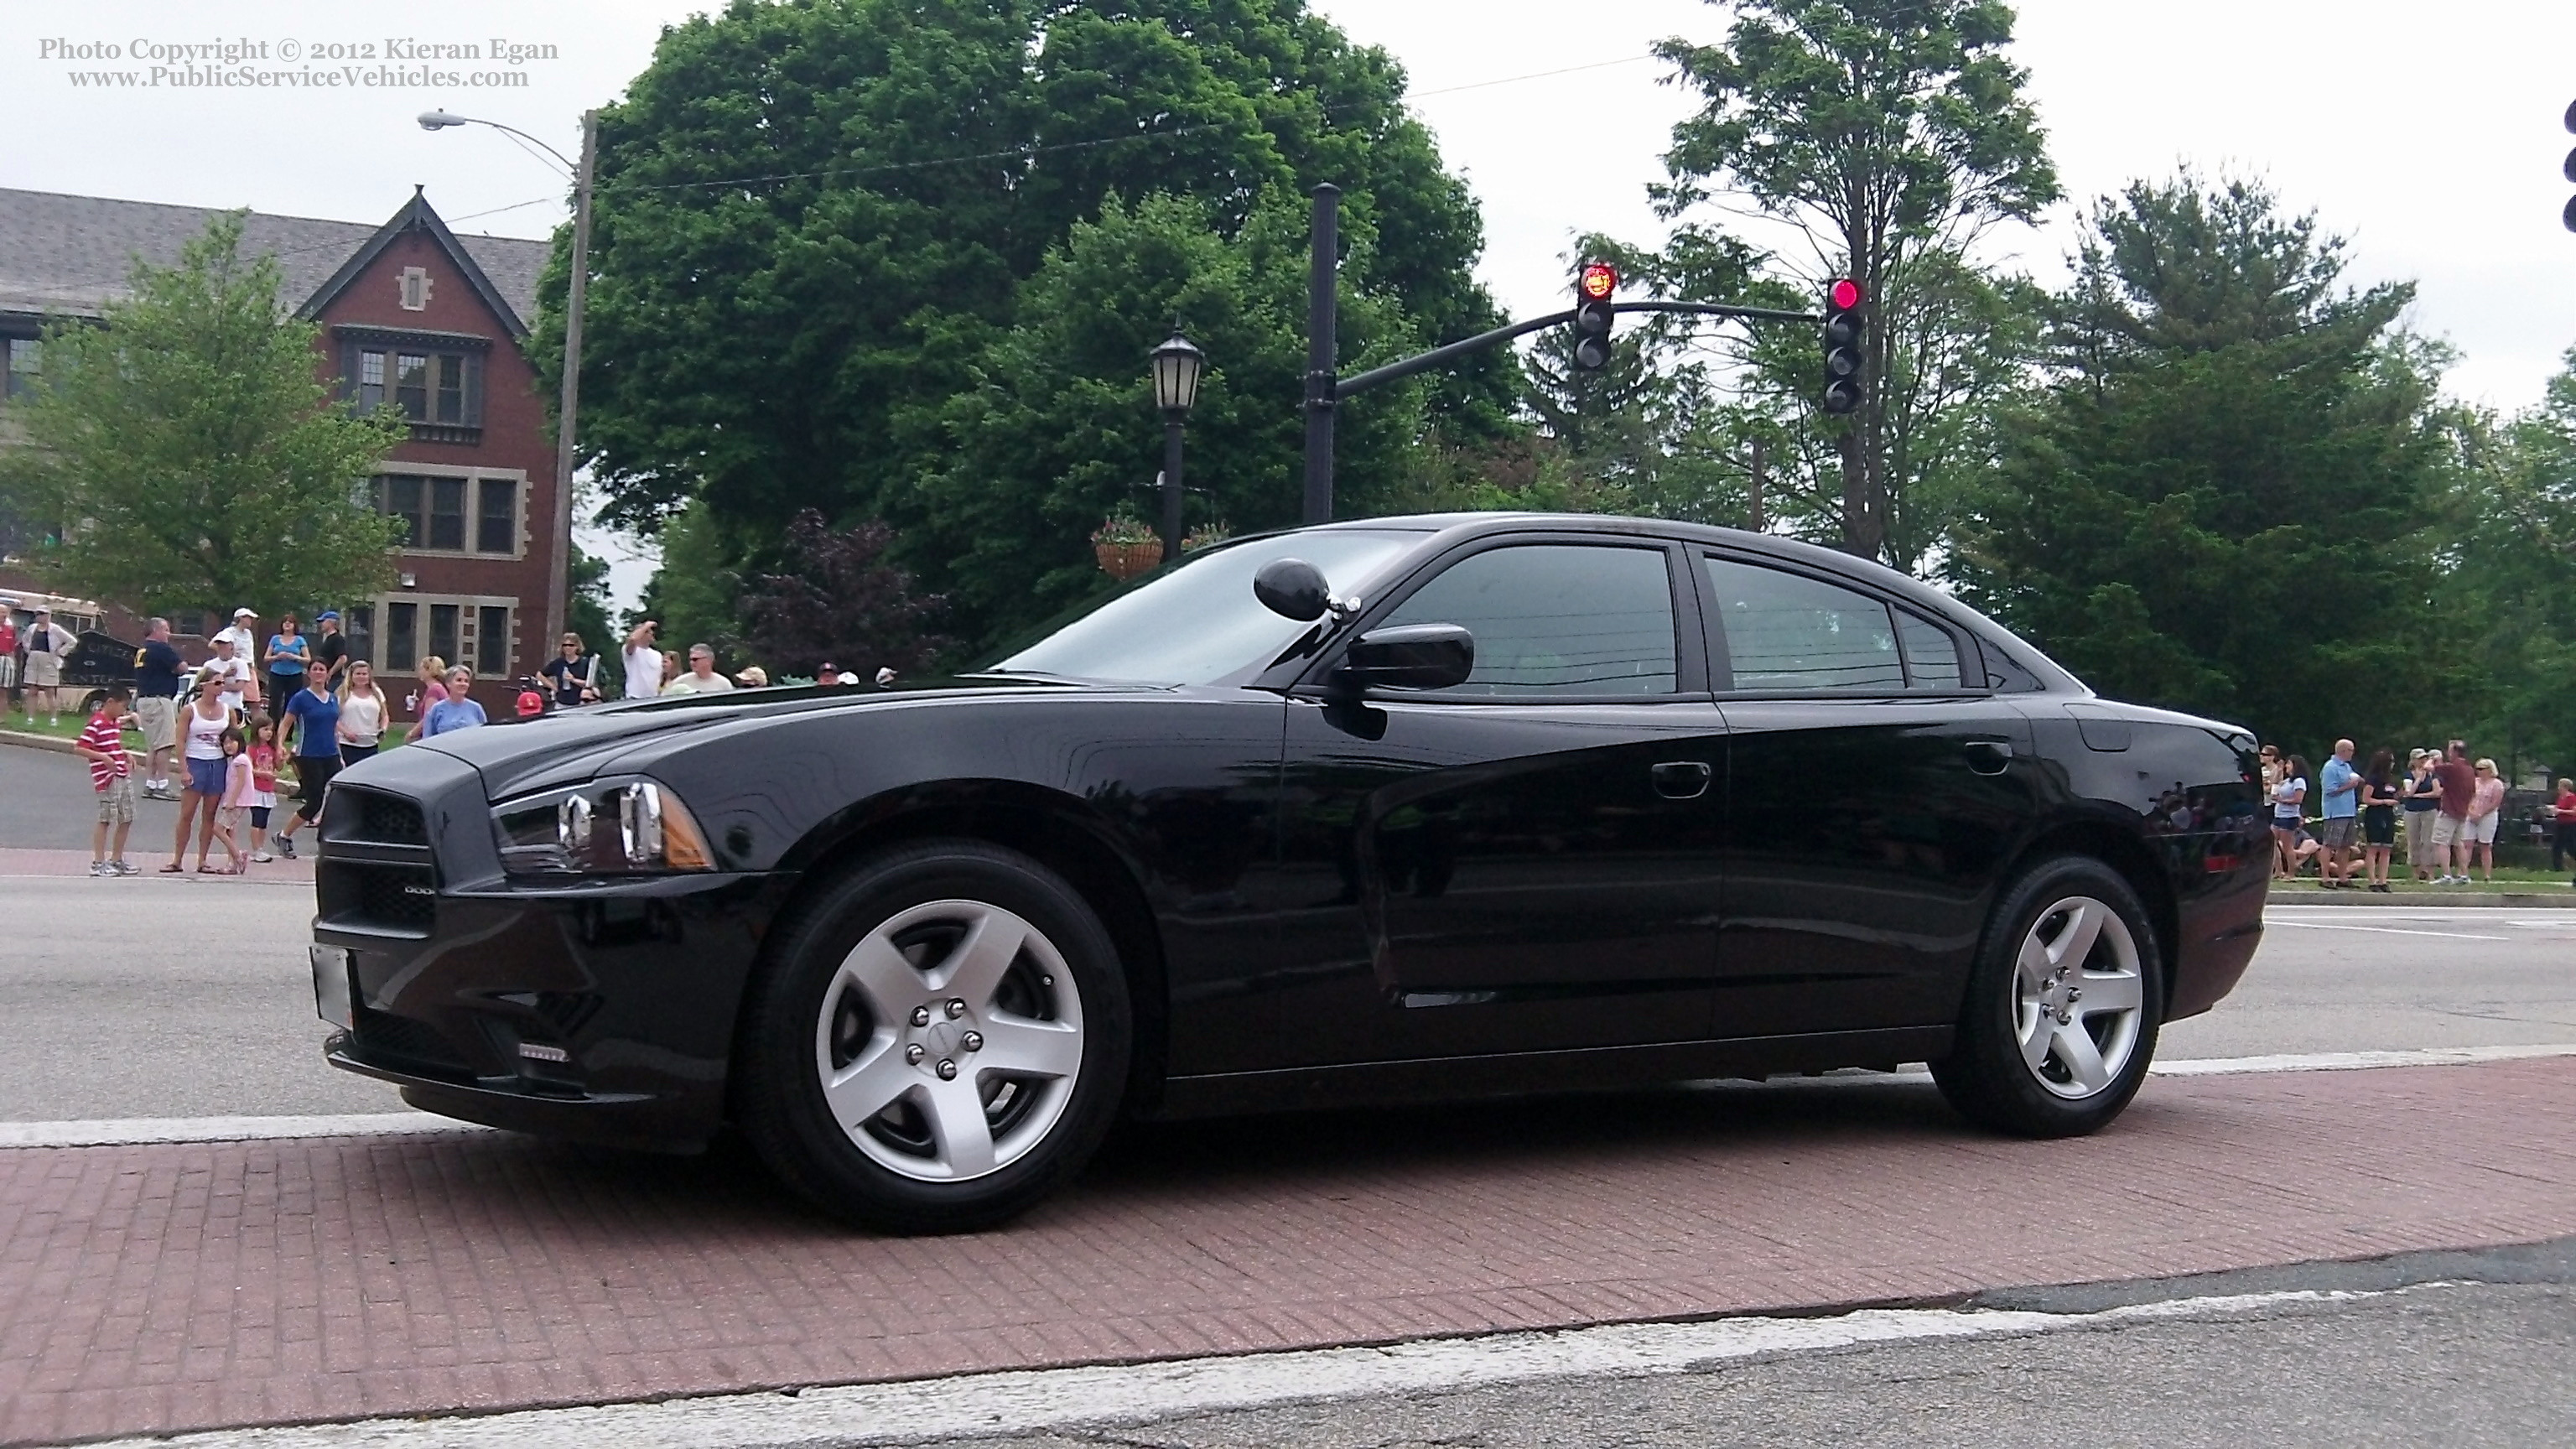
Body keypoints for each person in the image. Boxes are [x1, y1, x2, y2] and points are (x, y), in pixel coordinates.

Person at [164, 667, 234, 873]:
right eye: (218, 683)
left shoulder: (227, 710)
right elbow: (180, 739)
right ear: (205, 685)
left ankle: (203, 859)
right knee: (187, 813)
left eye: (223, 683)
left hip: (218, 763)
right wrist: (183, 769)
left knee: (210, 814)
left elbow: (234, 736)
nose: (222, 687)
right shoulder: (190, 710)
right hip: (196, 761)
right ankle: (177, 858)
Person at [270, 662, 343, 860]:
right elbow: (286, 724)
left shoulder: (333, 699)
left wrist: (340, 755)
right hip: (309, 754)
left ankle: (328, 842)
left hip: (331, 754)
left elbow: (334, 728)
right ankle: (284, 835)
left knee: (337, 798)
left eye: (322, 669)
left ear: (328, 674)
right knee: (314, 802)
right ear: (309, 673)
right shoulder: (301, 698)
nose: (319, 673)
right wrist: (279, 746)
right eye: (315, 669)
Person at [75, 687, 139, 877]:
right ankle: (98, 861)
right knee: (105, 818)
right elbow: (80, 748)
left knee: (126, 816)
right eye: (123, 706)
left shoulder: (113, 723)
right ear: (110, 702)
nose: (124, 711)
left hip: (121, 774)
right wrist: (103, 758)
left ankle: (117, 858)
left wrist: (124, 754)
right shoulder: (96, 723)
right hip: (107, 778)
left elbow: (113, 744)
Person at [132, 617, 185, 799]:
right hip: (159, 701)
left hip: (144, 700)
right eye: (166, 629)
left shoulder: (142, 650)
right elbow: (182, 668)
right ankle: (162, 785)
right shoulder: (161, 648)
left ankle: (150, 783)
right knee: (165, 745)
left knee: (153, 746)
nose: (169, 634)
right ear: (156, 630)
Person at [2315, 739, 2361, 887]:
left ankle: (2343, 877)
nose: (2352, 754)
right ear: (2343, 751)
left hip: (2348, 811)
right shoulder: (2330, 767)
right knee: (2329, 844)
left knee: (2345, 846)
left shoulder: (2347, 767)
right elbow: (2330, 790)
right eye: (2351, 750)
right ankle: (2325, 877)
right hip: (2335, 812)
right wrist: (2349, 786)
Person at [2432, 740, 2477, 885]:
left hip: (2449, 811)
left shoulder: (2453, 768)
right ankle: (2464, 875)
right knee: (2458, 844)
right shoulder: (2469, 769)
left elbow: (2429, 768)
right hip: (2462, 812)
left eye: (2450, 750)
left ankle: (2446, 875)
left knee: (2442, 842)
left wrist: (2434, 760)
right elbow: (2473, 791)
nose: (2448, 753)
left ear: (2455, 752)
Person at [210, 725, 252, 874]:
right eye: (225, 743)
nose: (228, 746)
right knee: (229, 830)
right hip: (233, 800)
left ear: (240, 742)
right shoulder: (235, 760)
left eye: (231, 742)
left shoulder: (240, 760)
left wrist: (232, 801)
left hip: (237, 801)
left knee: (218, 828)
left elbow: (241, 781)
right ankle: (233, 864)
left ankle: (238, 855)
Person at [21, 606, 73, 726]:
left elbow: (71, 641)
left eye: (42, 614)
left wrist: (60, 652)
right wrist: (29, 651)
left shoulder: (55, 629)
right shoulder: (32, 628)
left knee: (50, 691)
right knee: (32, 690)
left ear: (48, 615)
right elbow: (25, 640)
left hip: (49, 659)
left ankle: (53, 718)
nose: (39, 616)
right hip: (33, 659)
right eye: (38, 613)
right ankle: (30, 718)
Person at [2359, 747, 2401, 893]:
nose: (2393, 764)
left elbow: (2394, 795)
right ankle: (2372, 880)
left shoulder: (2391, 780)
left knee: (2386, 848)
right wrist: (2383, 801)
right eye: (2391, 761)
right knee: (2373, 847)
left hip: (2388, 814)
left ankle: (2383, 880)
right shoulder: (2373, 779)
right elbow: (2366, 799)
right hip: (2375, 814)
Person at [2402, 747, 2443, 881]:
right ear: (2413, 760)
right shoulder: (2408, 775)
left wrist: (2420, 795)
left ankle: (2430, 872)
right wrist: (2418, 780)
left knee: (2428, 841)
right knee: (2413, 842)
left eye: (2425, 758)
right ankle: (2416, 872)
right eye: (2420, 759)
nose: (2423, 761)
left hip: (2429, 810)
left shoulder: (2432, 775)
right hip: (2412, 811)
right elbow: (2409, 792)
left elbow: (2437, 793)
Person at [336, 660, 387, 766]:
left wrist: (383, 729)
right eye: (358, 674)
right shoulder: (343, 693)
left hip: (371, 744)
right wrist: (346, 732)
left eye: (364, 674)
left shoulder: (376, 693)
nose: (361, 677)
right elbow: (334, 718)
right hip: (348, 744)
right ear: (351, 676)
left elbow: (385, 715)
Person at [2464, 757, 2506, 885]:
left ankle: (2487, 874)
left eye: (2481, 769)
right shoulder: (2473, 782)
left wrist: (2481, 813)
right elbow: (2467, 797)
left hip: (2488, 815)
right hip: (2470, 814)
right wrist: (2471, 812)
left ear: (2489, 770)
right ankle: (2463, 873)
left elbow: (2495, 802)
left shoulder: (2497, 784)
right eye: (2477, 769)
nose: (2479, 771)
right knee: (2467, 844)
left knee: (2485, 845)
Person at [245, 716, 280, 862]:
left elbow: (278, 767)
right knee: (257, 819)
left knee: (264, 821)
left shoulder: (271, 748)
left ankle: (261, 847)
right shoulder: (252, 748)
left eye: (271, 730)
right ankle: (256, 849)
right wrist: (262, 774)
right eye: (265, 729)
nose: (269, 733)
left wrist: (281, 758)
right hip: (256, 788)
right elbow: (248, 768)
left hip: (268, 789)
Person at [2270, 754, 2309, 880]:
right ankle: (2278, 869)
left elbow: (2298, 799)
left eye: (2289, 764)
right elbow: (2275, 784)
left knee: (2287, 846)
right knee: (2272, 843)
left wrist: (2282, 800)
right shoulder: (2287, 781)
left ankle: (2291, 873)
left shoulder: (2299, 781)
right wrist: (2279, 770)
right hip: (2279, 815)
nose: (2287, 766)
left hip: (2289, 817)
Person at [420, 666, 486, 736]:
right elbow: (427, 737)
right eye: (459, 680)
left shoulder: (476, 708)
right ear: (448, 684)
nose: (463, 684)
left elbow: (484, 735)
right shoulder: (437, 709)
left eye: (466, 681)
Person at [262, 615, 309, 712]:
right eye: (285, 622)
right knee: (275, 701)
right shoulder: (275, 639)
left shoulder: (299, 640)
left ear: (295, 625)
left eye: (290, 622)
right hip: (277, 674)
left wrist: (294, 657)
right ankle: (273, 725)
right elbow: (266, 658)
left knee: (291, 702)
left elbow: (308, 659)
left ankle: (289, 725)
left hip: (294, 675)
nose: (287, 624)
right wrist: (277, 657)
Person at [542, 632, 601, 708]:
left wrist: (573, 680)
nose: (567, 648)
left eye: (571, 645)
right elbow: (540, 674)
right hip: (561, 703)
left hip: (581, 703)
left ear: (577, 647)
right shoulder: (558, 662)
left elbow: (591, 684)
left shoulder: (585, 662)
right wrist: (553, 687)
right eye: (565, 645)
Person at [204, 634, 253, 719]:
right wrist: (225, 675)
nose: (221, 647)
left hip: (233, 707)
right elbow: (205, 685)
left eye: (224, 644)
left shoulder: (241, 664)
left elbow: (239, 687)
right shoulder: (209, 665)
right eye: (219, 644)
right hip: (212, 707)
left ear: (232, 646)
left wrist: (217, 686)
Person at [402, 656, 449, 743]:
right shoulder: (437, 688)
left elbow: (428, 718)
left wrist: (411, 734)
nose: (419, 672)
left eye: (421, 669)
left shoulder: (434, 690)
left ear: (429, 671)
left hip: (432, 738)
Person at [660, 642, 735, 696]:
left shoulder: (724, 684)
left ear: (709, 660)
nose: (692, 662)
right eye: (691, 659)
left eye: (695, 659)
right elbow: (664, 699)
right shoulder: (681, 681)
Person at [622, 621, 665, 699]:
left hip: (654, 698)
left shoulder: (657, 654)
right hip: (635, 698)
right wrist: (646, 626)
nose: (652, 633)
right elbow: (633, 639)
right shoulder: (632, 651)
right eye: (647, 632)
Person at [310, 610, 349, 689]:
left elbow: (343, 658)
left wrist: (330, 673)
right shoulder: (328, 639)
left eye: (323, 621)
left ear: (331, 623)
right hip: (325, 679)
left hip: (334, 680)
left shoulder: (337, 638)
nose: (321, 624)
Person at [2554, 776, 2576, 880]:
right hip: (2560, 823)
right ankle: (2557, 868)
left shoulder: (2571, 798)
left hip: (2570, 824)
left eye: (2560, 786)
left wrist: (2561, 811)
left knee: (2570, 847)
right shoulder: (2560, 798)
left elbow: (2574, 812)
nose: (2558, 788)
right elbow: (2558, 808)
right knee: (2556, 846)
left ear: (2565, 787)